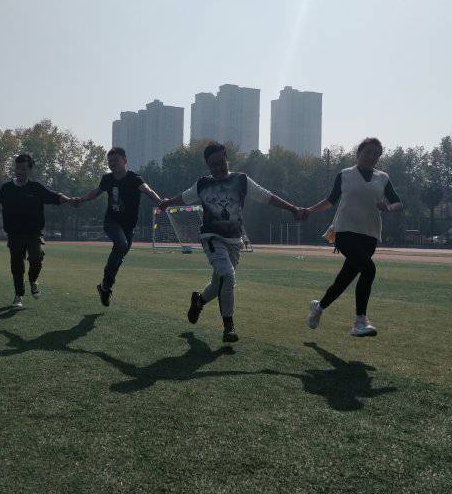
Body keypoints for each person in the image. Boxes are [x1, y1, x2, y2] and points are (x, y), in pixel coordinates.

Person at [159, 142, 305, 342]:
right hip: (211, 237)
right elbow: (185, 197)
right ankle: (229, 326)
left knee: (218, 283)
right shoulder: (203, 184)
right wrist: (168, 202)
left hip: (234, 240)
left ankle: (198, 301)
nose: (218, 168)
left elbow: (266, 196)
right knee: (228, 275)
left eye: (221, 162)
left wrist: (293, 208)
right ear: (207, 166)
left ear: (227, 159)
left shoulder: (241, 180)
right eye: (213, 165)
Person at [303, 137, 402, 336]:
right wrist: (309, 210)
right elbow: (330, 201)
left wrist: (389, 208)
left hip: (370, 234)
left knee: (344, 279)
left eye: (376, 153)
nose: (372, 156)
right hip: (345, 232)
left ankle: (318, 307)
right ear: (359, 153)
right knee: (369, 269)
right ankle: (360, 322)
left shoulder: (383, 178)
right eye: (368, 151)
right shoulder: (345, 175)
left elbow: (397, 202)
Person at [0, 154, 76, 308]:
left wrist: (70, 200)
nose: (20, 171)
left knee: (36, 258)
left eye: (23, 168)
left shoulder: (36, 187)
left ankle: (33, 281)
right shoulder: (7, 188)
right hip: (14, 234)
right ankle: (18, 295)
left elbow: (55, 196)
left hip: (34, 233)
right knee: (17, 266)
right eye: (17, 168)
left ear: (29, 169)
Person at [75, 147, 162, 306]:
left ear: (125, 160)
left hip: (129, 226)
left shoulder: (134, 178)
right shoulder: (107, 179)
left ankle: (105, 287)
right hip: (111, 222)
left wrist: (160, 202)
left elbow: (147, 190)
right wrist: (82, 199)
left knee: (119, 255)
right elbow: (96, 192)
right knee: (121, 245)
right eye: (110, 161)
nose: (112, 164)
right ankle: (106, 285)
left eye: (115, 160)